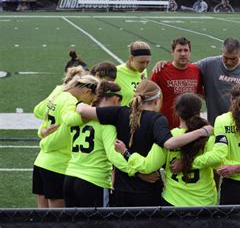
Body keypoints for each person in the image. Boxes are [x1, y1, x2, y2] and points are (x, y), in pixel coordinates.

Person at [76, 79, 212, 207]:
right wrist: (202, 131)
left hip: (121, 190)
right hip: (148, 190)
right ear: (158, 100)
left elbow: (82, 110)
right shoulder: (158, 120)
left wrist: (76, 103)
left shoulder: (119, 112)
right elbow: (169, 144)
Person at [115, 93, 218, 206]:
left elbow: (147, 167)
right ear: (199, 112)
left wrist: (125, 152)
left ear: (177, 113)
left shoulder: (168, 137)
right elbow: (216, 160)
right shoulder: (208, 135)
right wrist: (190, 162)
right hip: (205, 203)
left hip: (174, 202)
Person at [155, 38, 240, 125]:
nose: (229, 62)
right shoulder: (208, 64)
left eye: (233, 59)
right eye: (226, 57)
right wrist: (166, 64)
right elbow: (185, 68)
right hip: (215, 123)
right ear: (221, 52)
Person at [63, 81, 135, 207]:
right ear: (115, 99)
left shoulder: (79, 116)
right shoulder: (106, 122)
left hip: (69, 178)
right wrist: (136, 170)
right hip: (93, 182)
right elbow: (113, 155)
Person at [33, 75, 99, 208]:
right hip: (58, 164)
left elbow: (38, 110)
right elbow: (70, 119)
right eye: (91, 99)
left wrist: (42, 131)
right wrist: (93, 114)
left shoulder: (58, 94)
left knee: (43, 217)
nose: (89, 104)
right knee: (59, 219)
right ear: (86, 91)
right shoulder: (70, 101)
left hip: (42, 161)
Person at [150, 37, 202, 129]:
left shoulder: (196, 70)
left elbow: (198, 95)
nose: (183, 54)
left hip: (190, 127)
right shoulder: (160, 71)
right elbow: (149, 95)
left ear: (190, 52)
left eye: (186, 50)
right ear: (172, 52)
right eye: (179, 50)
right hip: (166, 126)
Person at [116, 41, 151, 107]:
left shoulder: (143, 71)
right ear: (131, 58)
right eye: (141, 62)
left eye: (148, 62)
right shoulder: (116, 72)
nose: (145, 66)